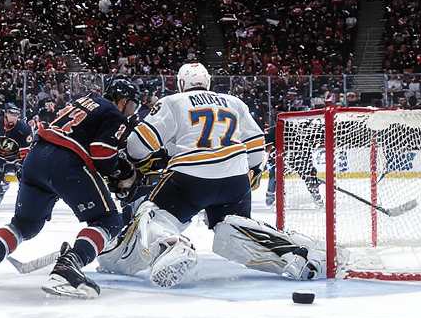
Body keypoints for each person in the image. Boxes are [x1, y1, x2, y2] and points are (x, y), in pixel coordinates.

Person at [104, 63, 319, 287]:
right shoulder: (234, 102)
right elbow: (256, 147)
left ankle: (173, 246)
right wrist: (252, 170)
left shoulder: (173, 102)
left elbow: (139, 146)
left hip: (190, 179)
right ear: (208, 83)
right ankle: (295, 256)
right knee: (233, 229)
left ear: (180, 84)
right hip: (235, 182)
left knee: (152, 214)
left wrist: (134, 160)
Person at [0, 79, 140, 299]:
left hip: (36, 158)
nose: (131, 111)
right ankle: (68, 268)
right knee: (108, 221)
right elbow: (101, 153)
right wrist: (121, 171)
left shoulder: (84, 99)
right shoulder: (115, 114)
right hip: (66, 163)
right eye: (131, 105)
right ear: (123, 100)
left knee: (25, 224)